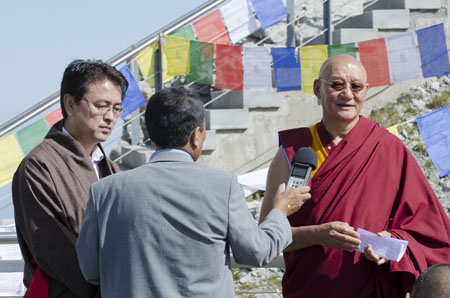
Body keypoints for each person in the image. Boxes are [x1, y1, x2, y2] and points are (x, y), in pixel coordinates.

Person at [75, 87, 311, 298]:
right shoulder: (223, 186)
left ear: (151, 134)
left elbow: (90, 270)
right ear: (196, 135)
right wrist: (280, 211)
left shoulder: (103, 191)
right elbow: (257, 252)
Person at [259, 54, 450, 297]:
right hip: (310, 289)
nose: (347, 94)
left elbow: (430, 230)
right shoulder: (293, 151)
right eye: (337, 85)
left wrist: (391, 241)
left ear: (366, 90)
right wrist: (316, 235)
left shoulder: (388, 148)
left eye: (356, 86)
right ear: (318, 89)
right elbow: (265, 236)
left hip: (372, 287)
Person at [12, 59, 128, 298]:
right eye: (101, 105)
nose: (110, 117)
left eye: (116, 108)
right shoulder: (39, 166)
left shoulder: (111, 169)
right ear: (70, 103)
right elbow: (54, 251)